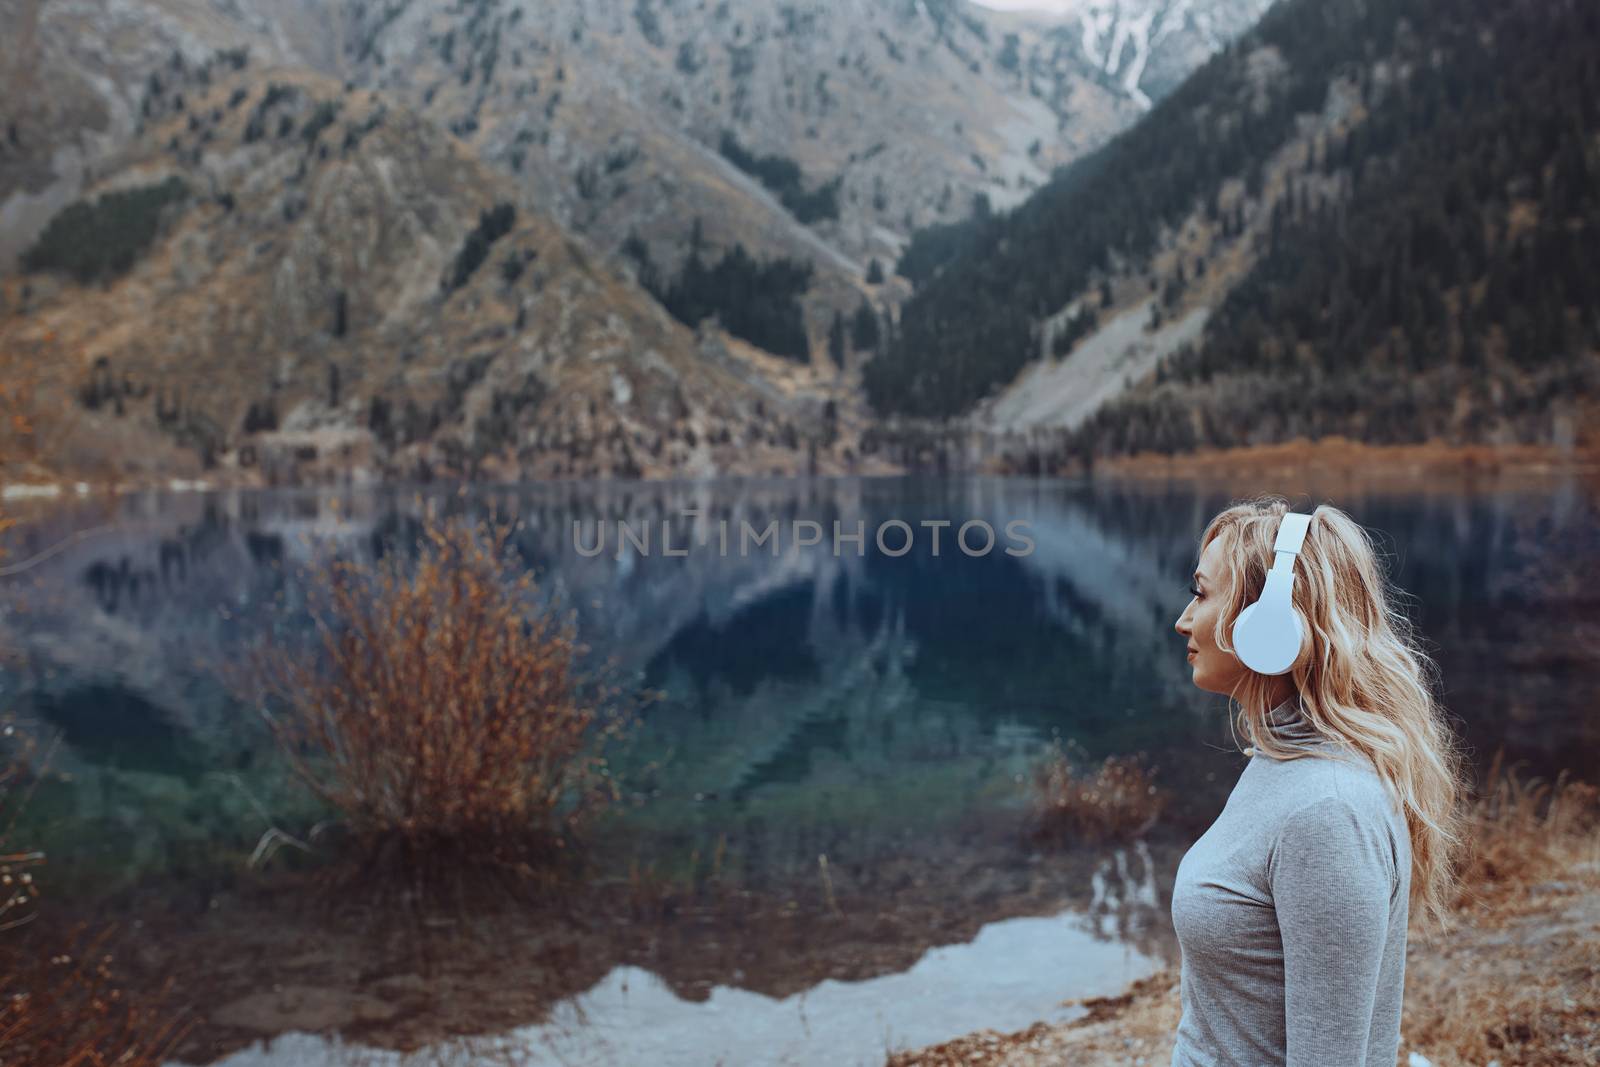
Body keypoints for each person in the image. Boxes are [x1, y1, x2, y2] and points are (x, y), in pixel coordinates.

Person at [1170, 496, 1471, 1067]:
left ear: (1270, 622)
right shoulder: (1283, 763)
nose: (1183, 619)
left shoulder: (1327, 811)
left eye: (1202, 593)